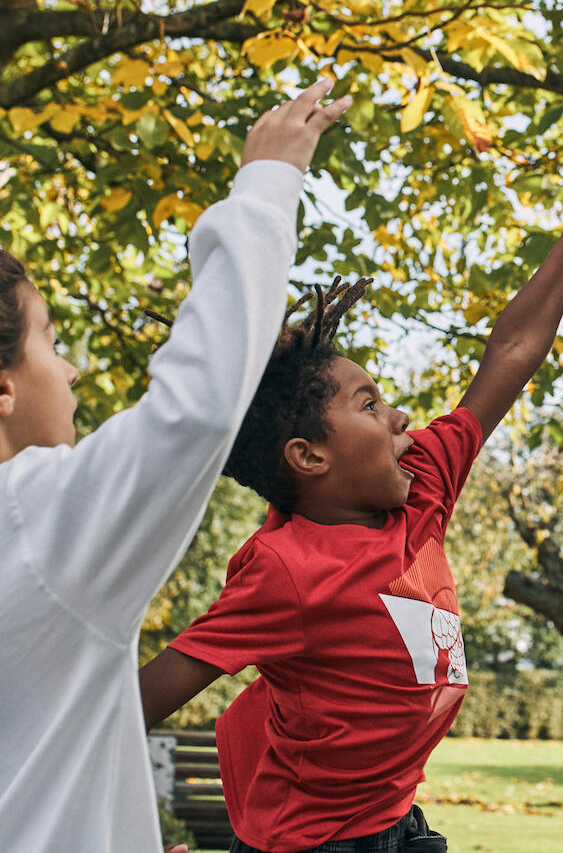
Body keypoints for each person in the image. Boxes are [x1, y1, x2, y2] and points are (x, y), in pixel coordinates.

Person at [137, 143, 563, 853]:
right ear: (309, 457)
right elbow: (138, 703)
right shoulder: (284, 570)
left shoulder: (423, 488)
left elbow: (510, 354)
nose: (401, 417)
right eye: (369, 404)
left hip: (393, 822)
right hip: (307, 844)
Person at [0, 79, 350, 853]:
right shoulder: (33, 523)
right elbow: (195, 409)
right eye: (51, 341)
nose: (71, 373)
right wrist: (265, 186)